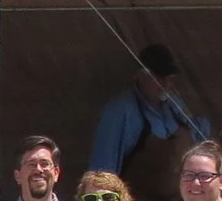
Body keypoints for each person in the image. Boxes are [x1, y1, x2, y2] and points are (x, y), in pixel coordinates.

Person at [88, 43, 212, 176]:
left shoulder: (175, 104)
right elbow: (101, 170)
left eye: (169, 78)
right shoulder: (118, 112)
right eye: (158, 77)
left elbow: (200, 137)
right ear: (139, 75)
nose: (165, 84)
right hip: (136, 194)